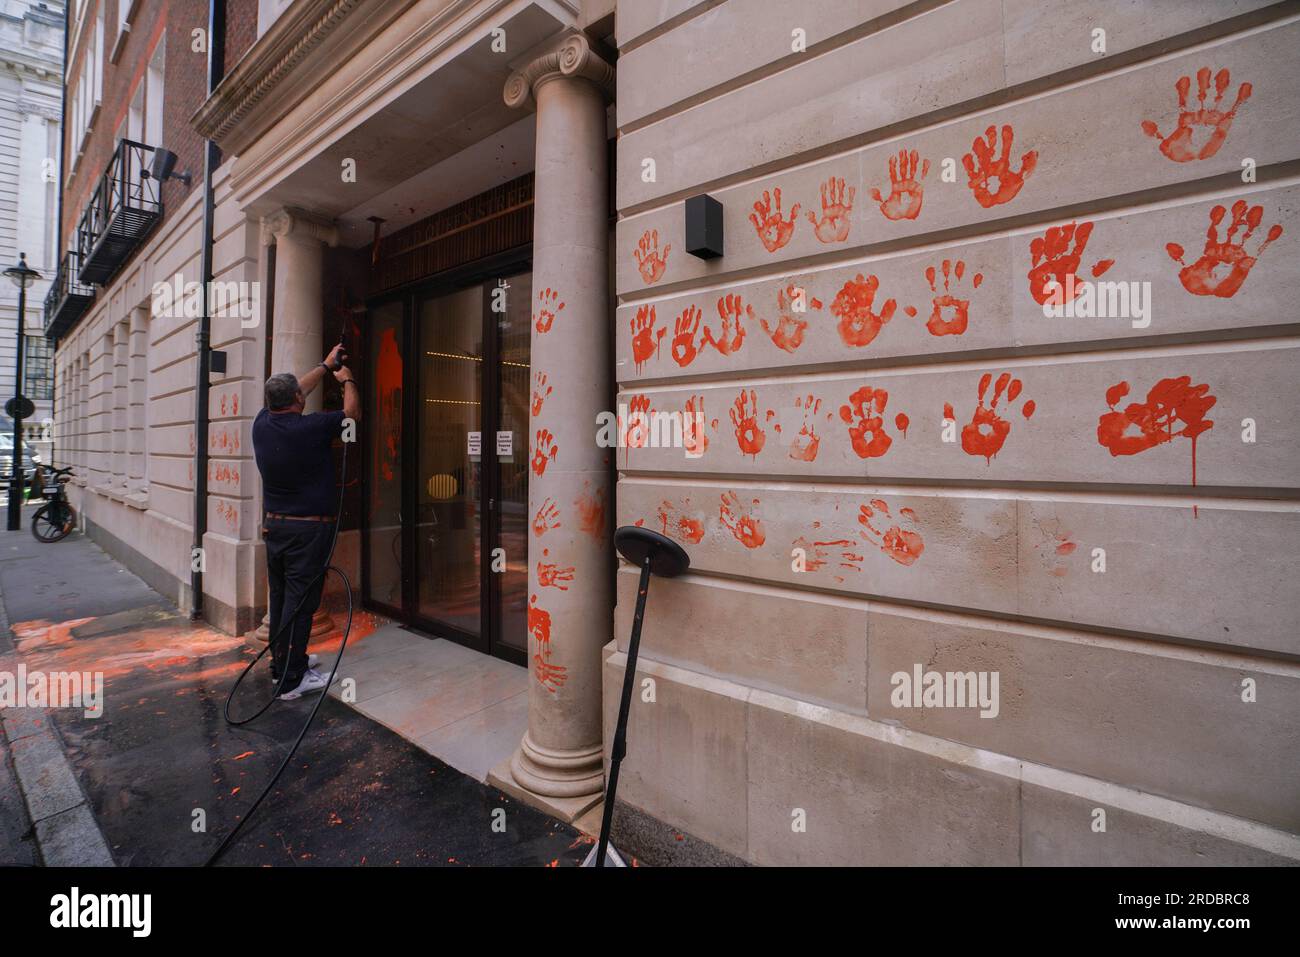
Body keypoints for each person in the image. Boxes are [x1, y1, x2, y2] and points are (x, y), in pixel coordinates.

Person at [251, 344, 360, 699]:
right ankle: (292, 680)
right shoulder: (312, 427)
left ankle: (283, 665)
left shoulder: (262, 423)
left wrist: (325, 366)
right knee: (300, 604)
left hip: (277, 527)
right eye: (300, 392)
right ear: (297, 399)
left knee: (282, 599)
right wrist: (347, 379)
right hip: (308, 530)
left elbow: (298, 389)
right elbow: (352, 415)